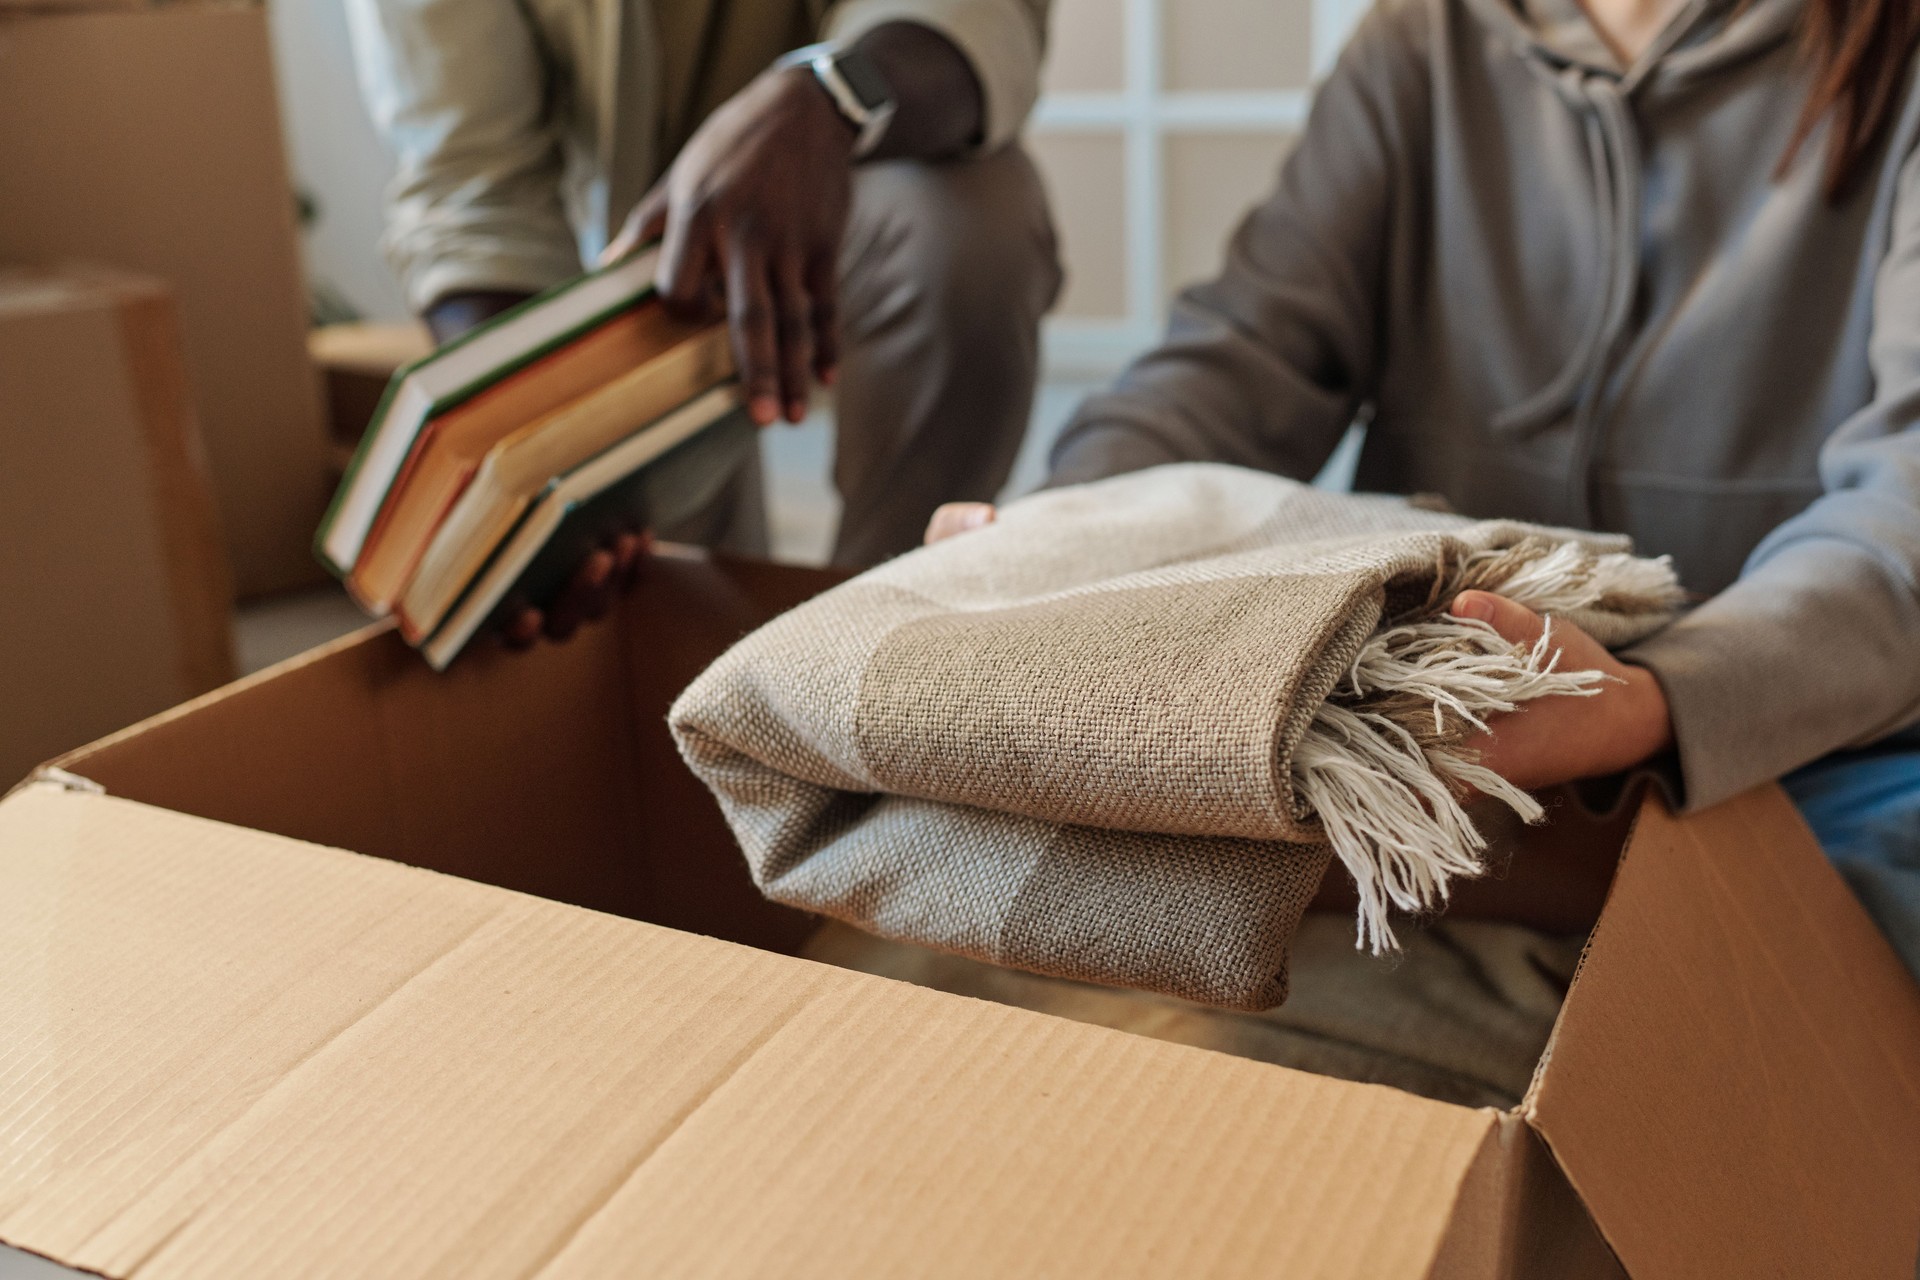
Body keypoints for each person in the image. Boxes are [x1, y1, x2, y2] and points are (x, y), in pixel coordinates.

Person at [927, 0, 1920, 976]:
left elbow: (1903, 513)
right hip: (1437, 741)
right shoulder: (1422, 37)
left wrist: (1657, 696)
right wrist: (1070, 521)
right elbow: (1244, 354)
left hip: (1815, 753)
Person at [345, 0, 1062, 635]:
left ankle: (886, 632)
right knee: (662, 615)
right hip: (616, 272)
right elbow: (474, 186)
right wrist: (530, 456)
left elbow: (979, 13)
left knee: (971, 232)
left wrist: (829, 97)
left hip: (849, 176)